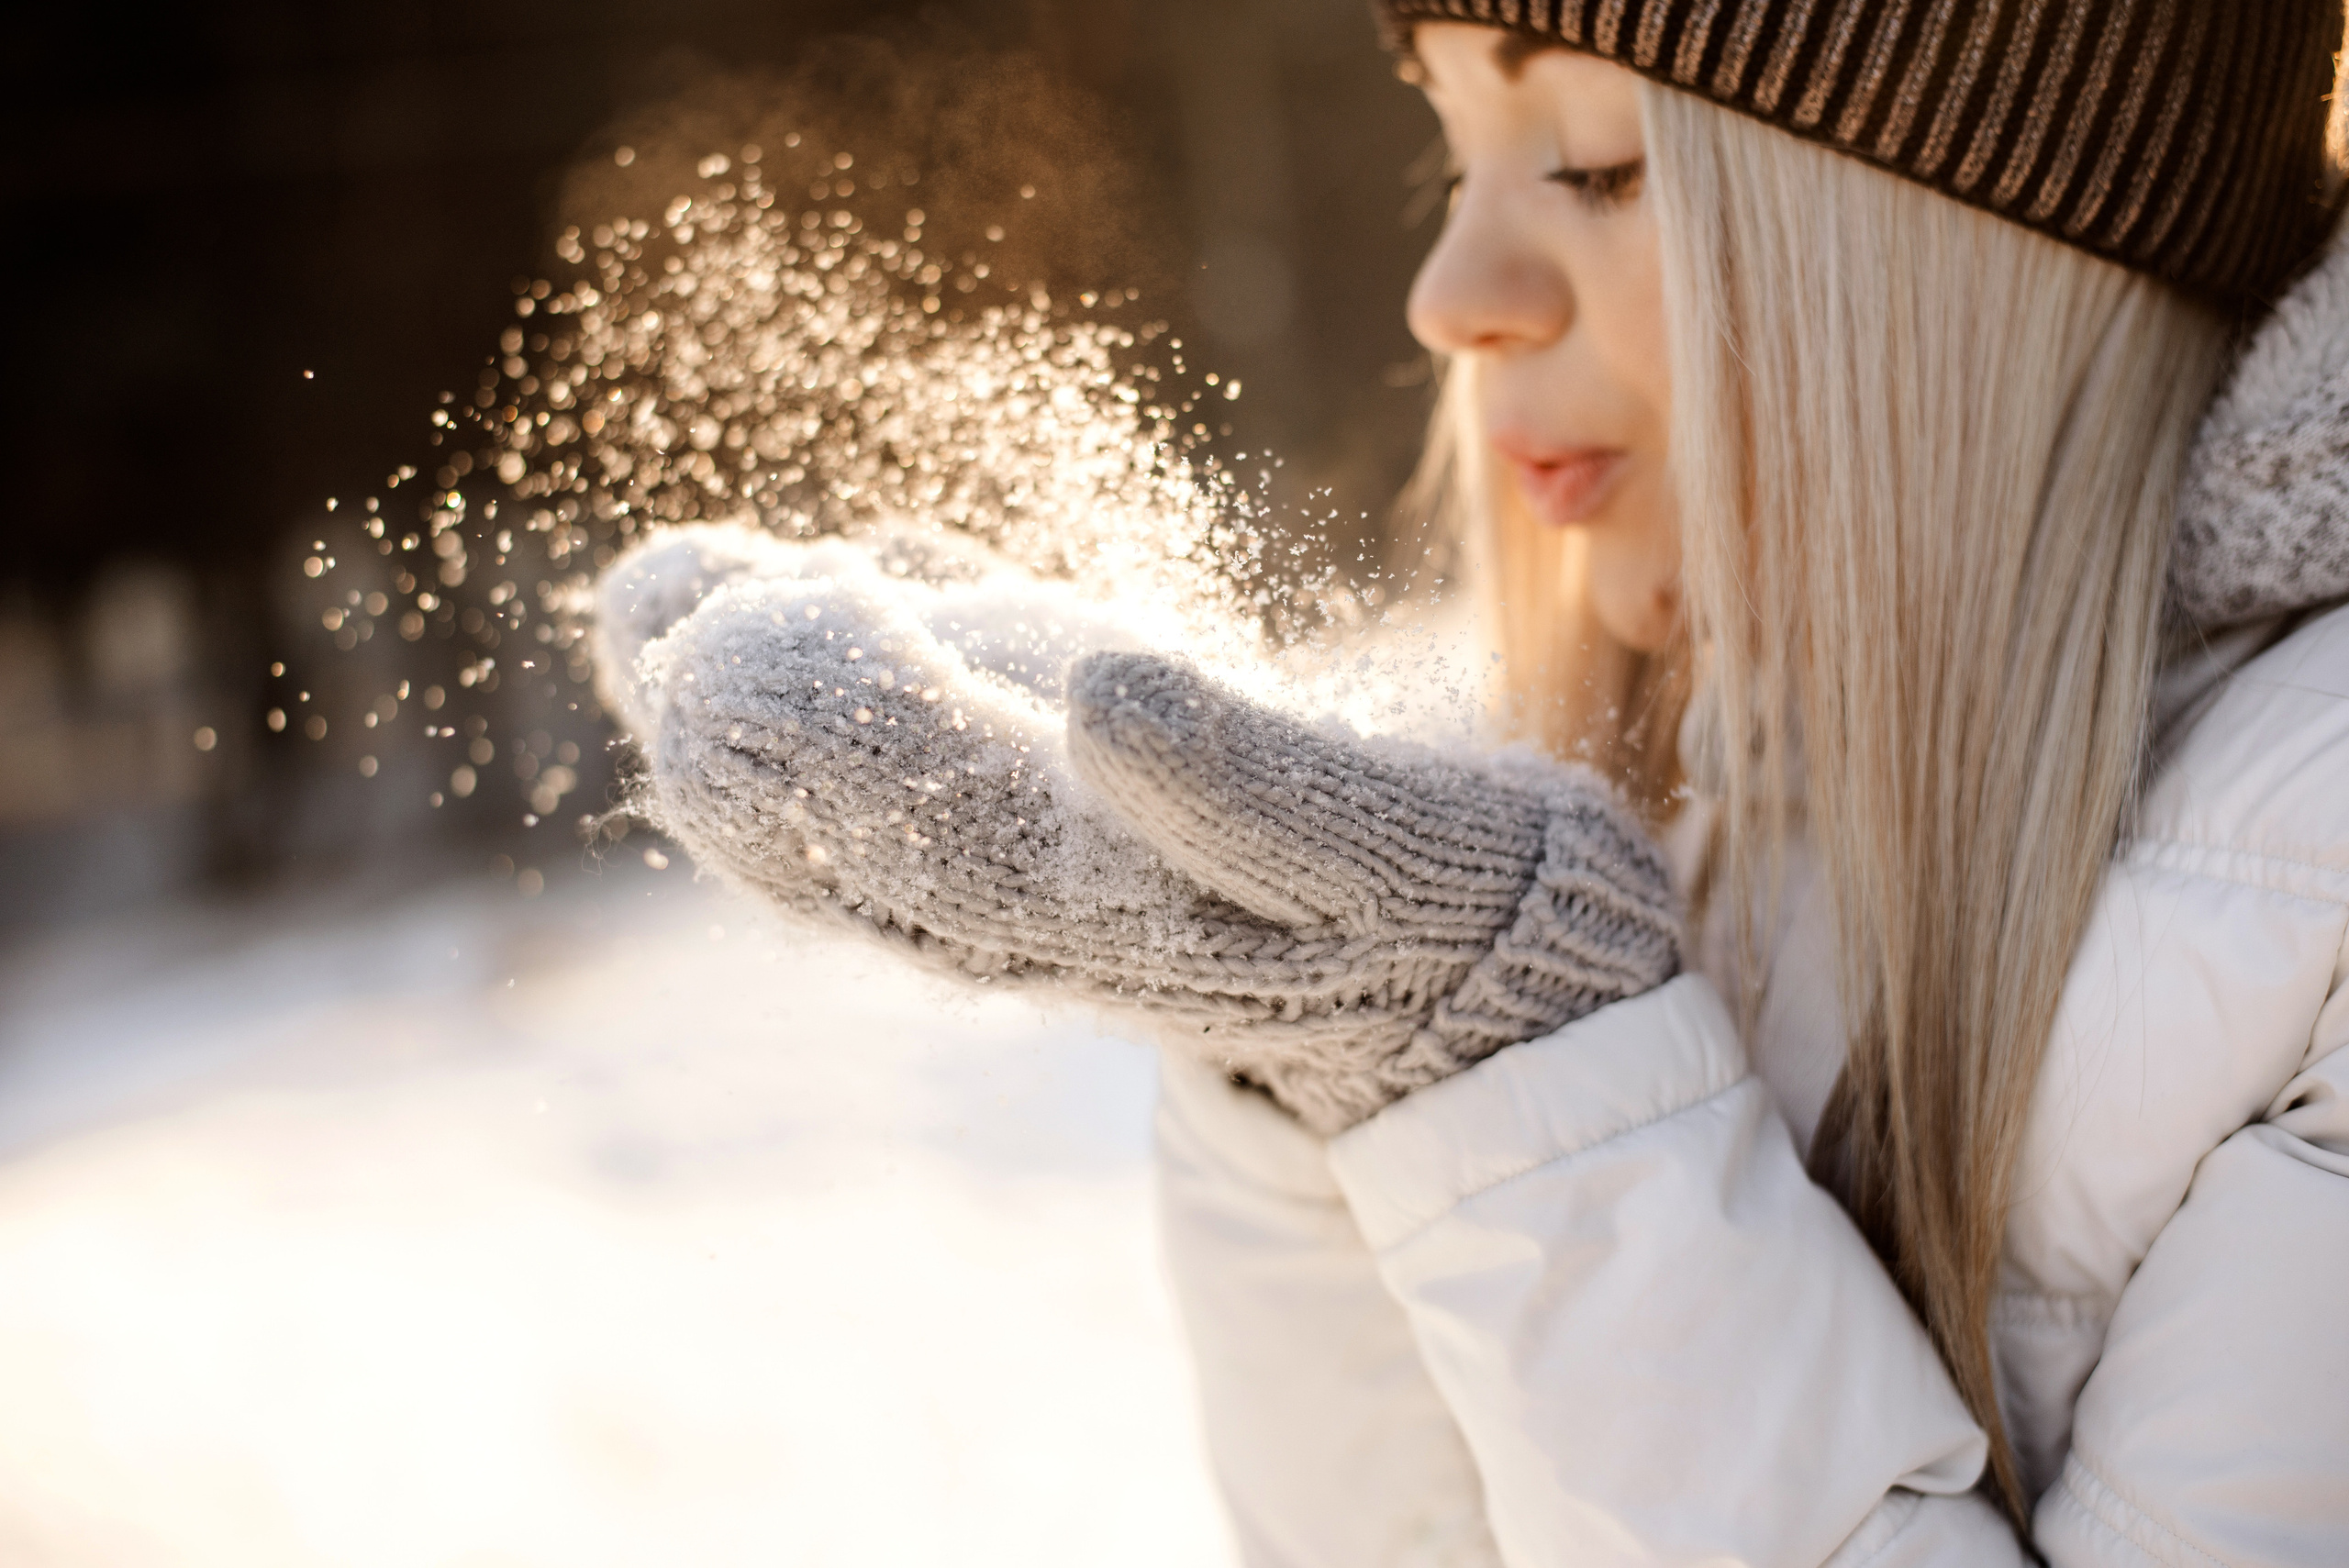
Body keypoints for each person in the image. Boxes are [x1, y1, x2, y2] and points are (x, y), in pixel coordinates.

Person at [592, 2, 2349, 1562]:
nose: (1447, 299)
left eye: (1590, 161)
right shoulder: (1715, 773)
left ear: (1979, 215)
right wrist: (1316, 1040)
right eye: (1455, 159)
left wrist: (1536, 1074)